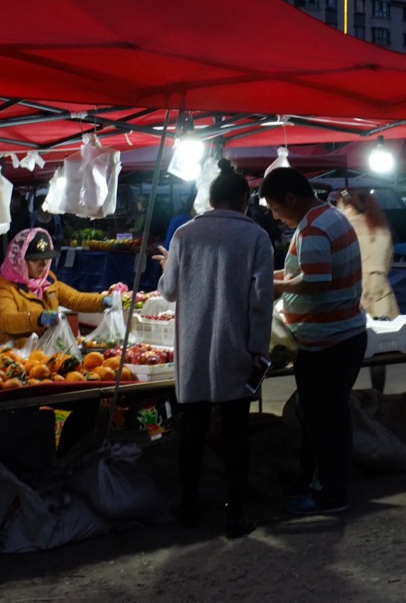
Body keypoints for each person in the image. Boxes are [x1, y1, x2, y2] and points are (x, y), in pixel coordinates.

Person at [155, 160, 273, 540]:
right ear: (244, 200)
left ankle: (189, 507)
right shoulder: (256, 237)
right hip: (236, 347)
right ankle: (234, 514)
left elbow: (168, 291)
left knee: (192, 430)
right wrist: (258, 348)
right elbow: (261, 300)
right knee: (236, 434)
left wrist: (170, 266)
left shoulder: (185, 234)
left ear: (210, 198)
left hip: (193, 347)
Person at [261, 166, 366, 516]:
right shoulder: (329, 216)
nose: (275, 216)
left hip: (328, 343)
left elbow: (315, 281)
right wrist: (269, 276)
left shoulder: (314, 228)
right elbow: (304, 272)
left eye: (275, 208)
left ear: (291, 198)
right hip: (342, 336)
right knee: (321, 418)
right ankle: (317, 484)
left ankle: (332, 494)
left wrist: (273, 287)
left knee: (326, 422)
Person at [0, 227, 115, 349]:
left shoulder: (48, 281)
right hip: (11, 354)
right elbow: (7, 320)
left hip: (43, 351)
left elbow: (75, 299)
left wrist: (101, 301)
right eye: (36, 259)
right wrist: (39, 318)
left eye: (46, 258)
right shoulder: (2, 287)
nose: (43, 264)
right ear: (20, 259)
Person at [338, 189, 399, 392]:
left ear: (348, 206)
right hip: (382, 293)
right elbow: (388, 263)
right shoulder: (382, 227)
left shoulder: (344, 228)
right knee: (379, 351)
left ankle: (344, 398)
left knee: (347, 349)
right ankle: (378, 396)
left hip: (354, 292)